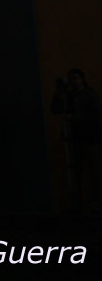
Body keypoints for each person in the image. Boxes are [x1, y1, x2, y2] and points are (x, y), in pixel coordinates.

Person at [52, 69, 101, 213]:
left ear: (82, 79)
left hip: (89, 138)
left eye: (75, 78)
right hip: (74, 139)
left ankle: (96, 202)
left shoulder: (90, 95)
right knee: (75, 172)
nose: (72, 82)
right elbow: (56, 110)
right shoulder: (68, 95)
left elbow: (96, 115)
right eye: (70, 79)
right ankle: (78, 203)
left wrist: (76, 118)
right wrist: (59, 93)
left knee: (94, 172)